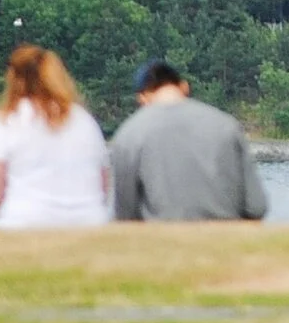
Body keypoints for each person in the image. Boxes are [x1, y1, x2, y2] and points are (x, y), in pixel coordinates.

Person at [0, 44, 111, 228]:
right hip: (90, 222)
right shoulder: (84, 120)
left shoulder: (5, 122)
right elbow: (102, 188)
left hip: (25, 222)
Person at [108, 60, 268, 222]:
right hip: (225, 239)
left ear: (142, 97)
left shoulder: (129, 134)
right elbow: (256, 206)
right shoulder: (227, 125)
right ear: (184, 86)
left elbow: (125, 215)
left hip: (163, 241)